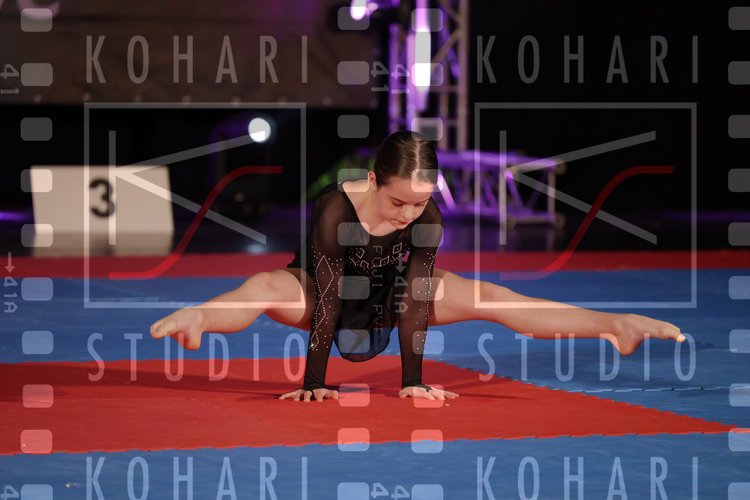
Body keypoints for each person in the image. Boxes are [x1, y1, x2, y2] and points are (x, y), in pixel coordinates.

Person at [149, 131, 686, 403]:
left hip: (394, 297)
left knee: (493, 296)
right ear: (373, 180)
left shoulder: (425, 215)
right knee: (267, 284)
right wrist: (315, 382)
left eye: (420, 202)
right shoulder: (336, 208)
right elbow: (331, 299)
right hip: (320, 296)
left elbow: (416, 291)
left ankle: (613, 325)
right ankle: (200, 317)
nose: (409, 214)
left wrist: (413, 381)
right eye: (397, 202)